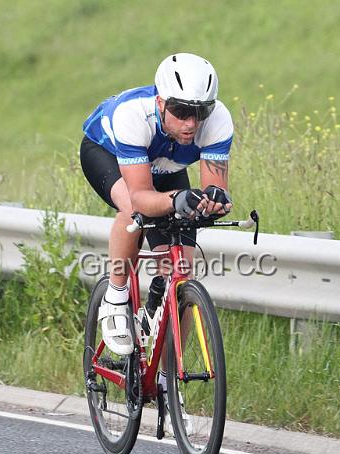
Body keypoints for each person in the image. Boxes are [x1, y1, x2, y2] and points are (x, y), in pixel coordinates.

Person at [80, 52, 233, 355]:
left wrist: (215, 201)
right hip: (107, 154)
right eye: (181, 111)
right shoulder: (132, 115)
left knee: (181, 273)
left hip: (167, 169)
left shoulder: (217, 121)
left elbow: (214, 188)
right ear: (161, 102)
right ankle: (116, 294)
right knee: (135, 212)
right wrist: (175, 200)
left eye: (200, 112)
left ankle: (168, 383)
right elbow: (141, 197)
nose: (191, 123)